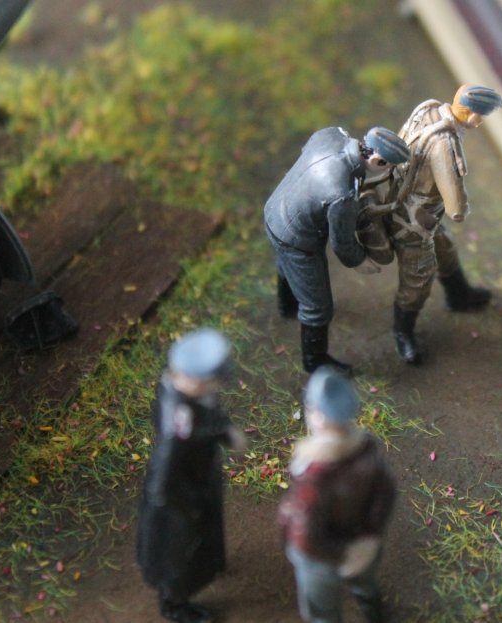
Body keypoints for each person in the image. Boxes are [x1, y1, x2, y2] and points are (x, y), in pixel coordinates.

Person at [359, 85, 502, 363]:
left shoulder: (427, 108)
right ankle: (403, 332)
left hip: (401, 200)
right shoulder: (445, 143)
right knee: (418, 278)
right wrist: (461, 208)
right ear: (474, 116)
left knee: (445, 249)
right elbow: (455, 206)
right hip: (414, 223)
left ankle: (459, 295)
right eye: (481, 117)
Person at [265, 126, 410, 375]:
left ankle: (286, 304)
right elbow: (341, 243)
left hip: (276, 208)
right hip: (297, 238)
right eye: (388, 167)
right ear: (377, 160)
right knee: (317, 307)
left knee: (285, 264)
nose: (388, 172)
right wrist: (361, 260)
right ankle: (315, 361)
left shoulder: (332, 134)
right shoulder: (343, 193)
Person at [136, 328, 245, 623]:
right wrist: (189, 506)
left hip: (199, 481)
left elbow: (209, 414)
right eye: (212, 381)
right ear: (194, 380)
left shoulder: (194, 395)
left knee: (206, 538)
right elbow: (162, 485)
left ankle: (213, 562)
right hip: (178, 504)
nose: (216, 386)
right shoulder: (176, 428)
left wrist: (224, 431)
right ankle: (174, 606)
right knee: (178, 559)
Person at [278, 367, 396, 623]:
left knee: (322, 609)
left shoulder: (312, 474)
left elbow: (305, 536)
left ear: (318, 416)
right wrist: (370, 536)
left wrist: (343, 556)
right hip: (361, 539)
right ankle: (372, 608)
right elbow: (386, 492)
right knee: (365, 583)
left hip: (321, 558)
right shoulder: (367, 447)